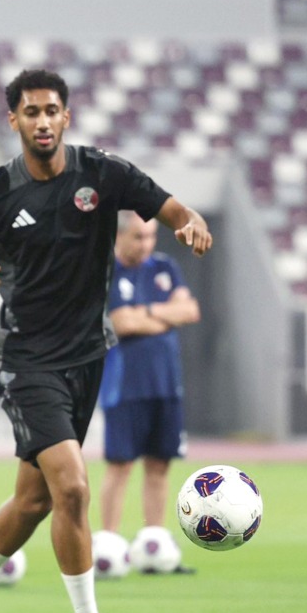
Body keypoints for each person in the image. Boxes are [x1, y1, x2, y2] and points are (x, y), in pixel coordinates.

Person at [0, 68, 212, 613]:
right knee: (74, 486)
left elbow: (166, 204)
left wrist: (189, 220)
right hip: (26, 359)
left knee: (34, 502)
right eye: (31, 112)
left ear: (67, 116)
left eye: (52, 110)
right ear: (14, 121)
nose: (43, 121)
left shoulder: (102, 174)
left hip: (87, 356)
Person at [99, 213, 200, 553]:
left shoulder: (165, 266)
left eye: (151, 236)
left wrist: (146, 314)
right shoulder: (107, 270)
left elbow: (190, 310)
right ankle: (110, 546)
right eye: (138, 237)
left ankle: (154, 544)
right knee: (120, 465)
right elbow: (122, 322)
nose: (146, 245)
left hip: (166, 383)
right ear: (121, 236)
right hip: (123, 384)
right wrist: (164, 313)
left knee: (160, 463)